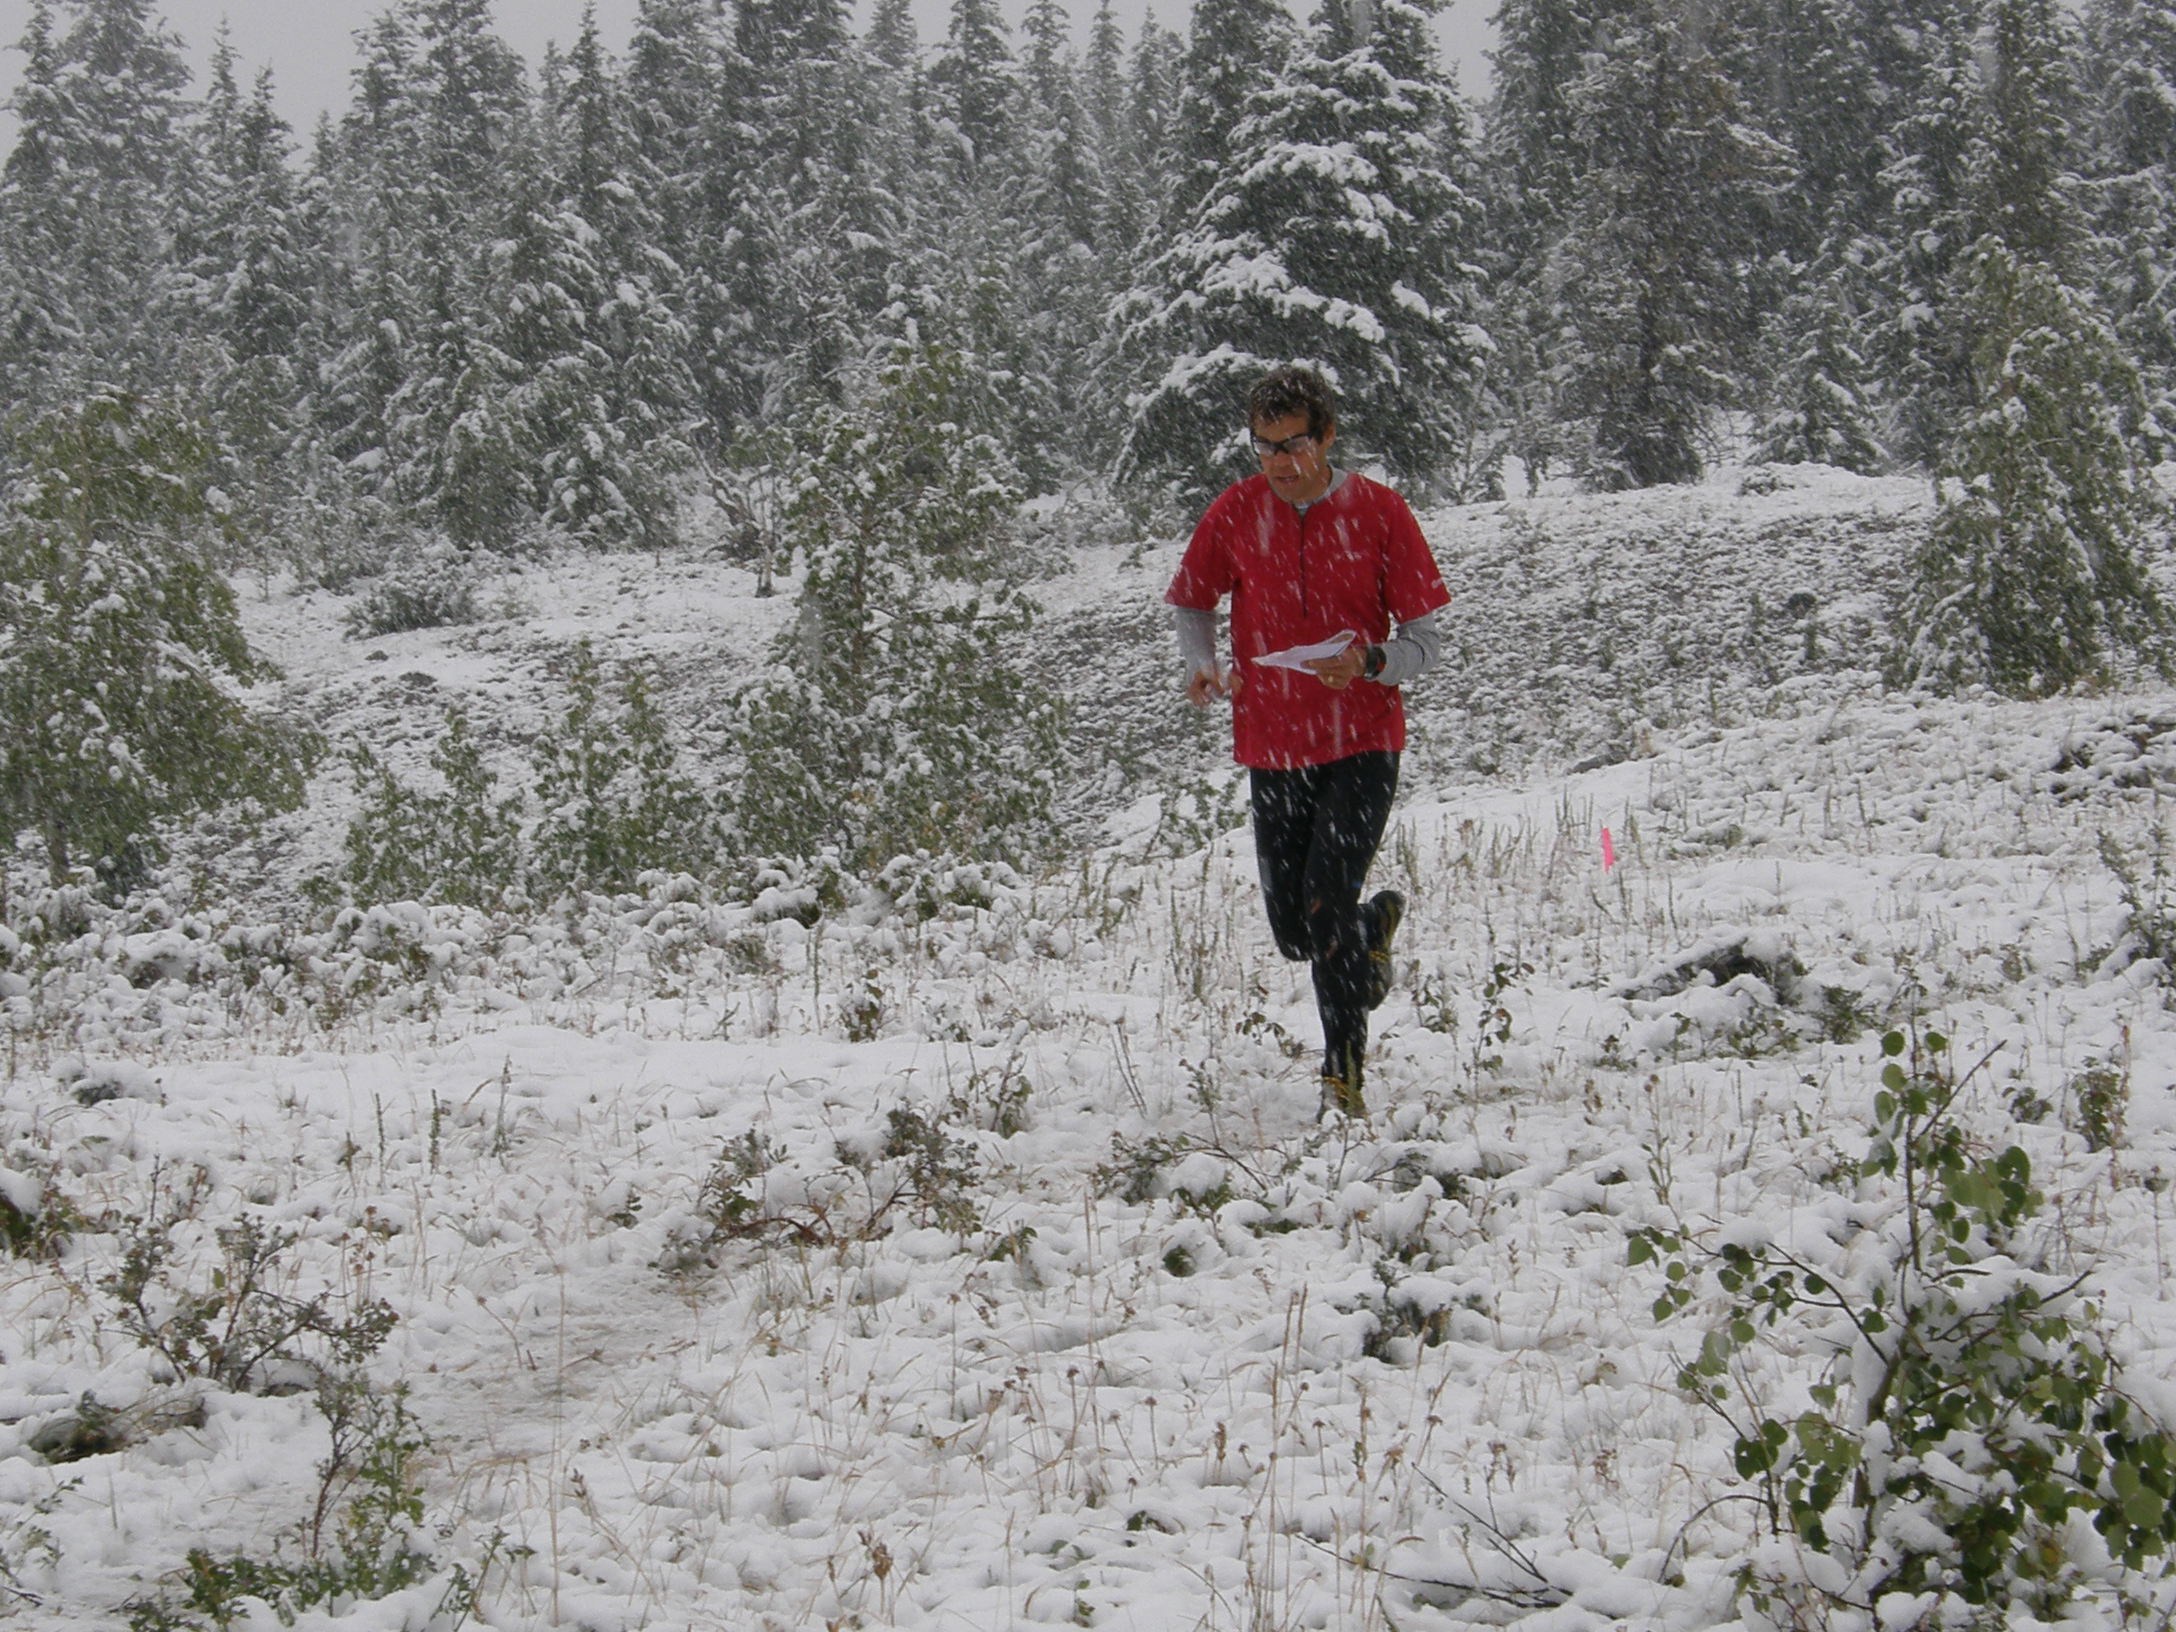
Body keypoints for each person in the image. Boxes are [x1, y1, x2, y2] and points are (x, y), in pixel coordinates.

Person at [1166, 365, 1450, 1117]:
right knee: (1298, 933)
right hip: (1272, 745)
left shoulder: (1382, 513)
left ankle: (1342, 1076)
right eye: (1264, 447)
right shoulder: (1235, 511)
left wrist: (1372, 661)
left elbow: (1428, 642)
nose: (1280, 464)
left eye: (1294, 445)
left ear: (1327, 437)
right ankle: (1370, 928)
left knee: (1324, 901)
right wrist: (1202, 666)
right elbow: (1191, 602)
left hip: (1362, 738)